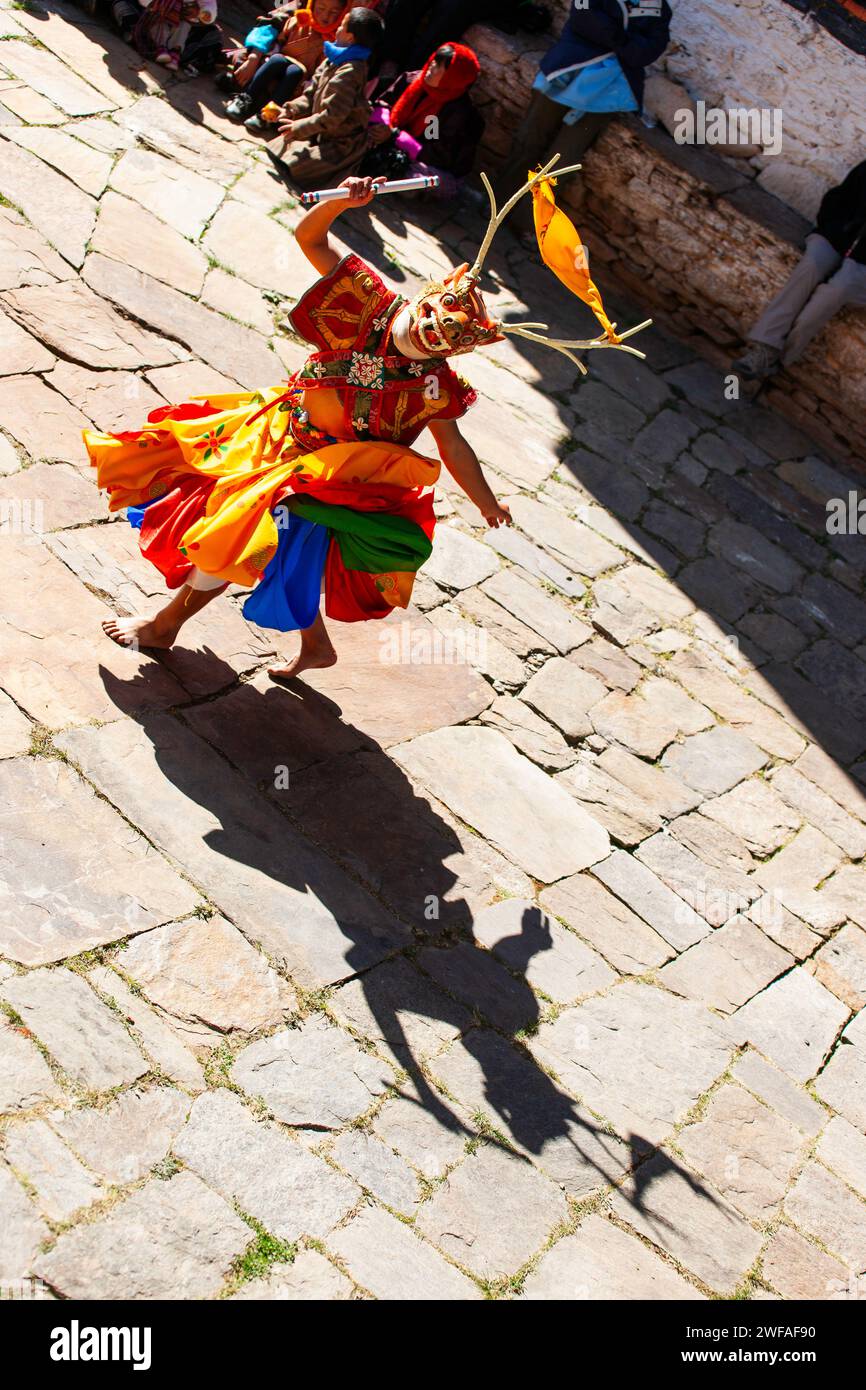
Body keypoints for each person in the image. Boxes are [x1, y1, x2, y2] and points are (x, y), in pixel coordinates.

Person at [82, 158, 648, 679]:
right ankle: (314, 646)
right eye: (431, 324)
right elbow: (309, 236)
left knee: (232, 537)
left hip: (324, 480)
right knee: (262, 539)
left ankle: (163, 627)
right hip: (276, 432)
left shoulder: (435, 386)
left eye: (444, 343)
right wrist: (342, 204)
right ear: (426, 300)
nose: (429, 340)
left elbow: (453, 447)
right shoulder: (370, 299)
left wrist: (485, 502)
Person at [496, 0, 672, 237]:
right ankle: (497, 206)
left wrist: (610, 33)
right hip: (566, 70)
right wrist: (624, 42)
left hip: (608, 95)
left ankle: (527, 224)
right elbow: (583, 19)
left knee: (561, 165)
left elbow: (644, 54)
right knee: (529, 141)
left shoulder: (659, 10)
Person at [733, 159, 866, 383]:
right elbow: (837, 199)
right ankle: (765, 348)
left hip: (864, 263)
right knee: (812, 265)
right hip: (838, 239)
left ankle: (780, 357)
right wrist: (835, 228)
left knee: (835, 291)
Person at [264, 6, 383, 190]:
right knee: (279, 146)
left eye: (341, 26)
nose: (337, 30)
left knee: (296, 165)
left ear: (350, 37)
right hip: (321, 131)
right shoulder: (334, 58)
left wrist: (299, 127)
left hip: (339, 142)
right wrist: (288, 110)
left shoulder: (350, 72)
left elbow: (333, 117)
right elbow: (310, 95)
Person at [368, 42, 484, 199]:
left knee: (415, 179)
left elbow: (434, 151)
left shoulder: (453, 111)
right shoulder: (413, 80)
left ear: (452, 78)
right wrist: (382, 126)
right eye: (434, 61)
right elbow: (384, 104)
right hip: (393, 139)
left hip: (429, 162)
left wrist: (394, 136)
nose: (431, 67)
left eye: (439, 67)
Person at [221, 1, 348, 125]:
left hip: (299, 83)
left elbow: (325, 68)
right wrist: (257, 57)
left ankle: (268, 115)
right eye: (321, 8)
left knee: (294, 71)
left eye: (334, 12)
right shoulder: (298, 19)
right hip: (275, 64)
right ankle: (245, 98)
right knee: (275, 60)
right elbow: (278, 38)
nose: (325, 16)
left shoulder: (335, 40)